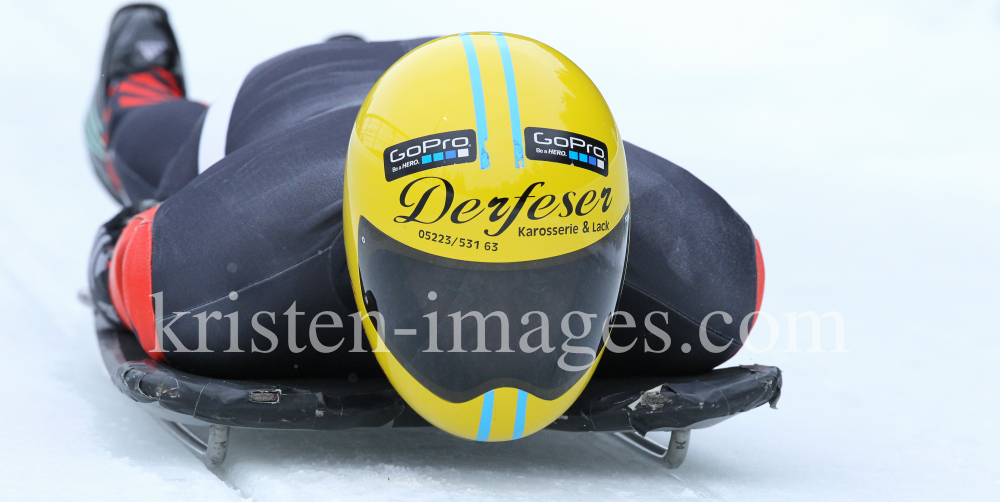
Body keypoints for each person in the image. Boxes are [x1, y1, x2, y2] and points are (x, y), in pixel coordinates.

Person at [87, 4, 765, 392]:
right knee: (143, 142)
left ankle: (343, 49)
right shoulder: (215, 266)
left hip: (473, 86)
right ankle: (138, 81)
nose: (498, 322)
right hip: (293, 101)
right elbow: (127, 253)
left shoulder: (709, 277)